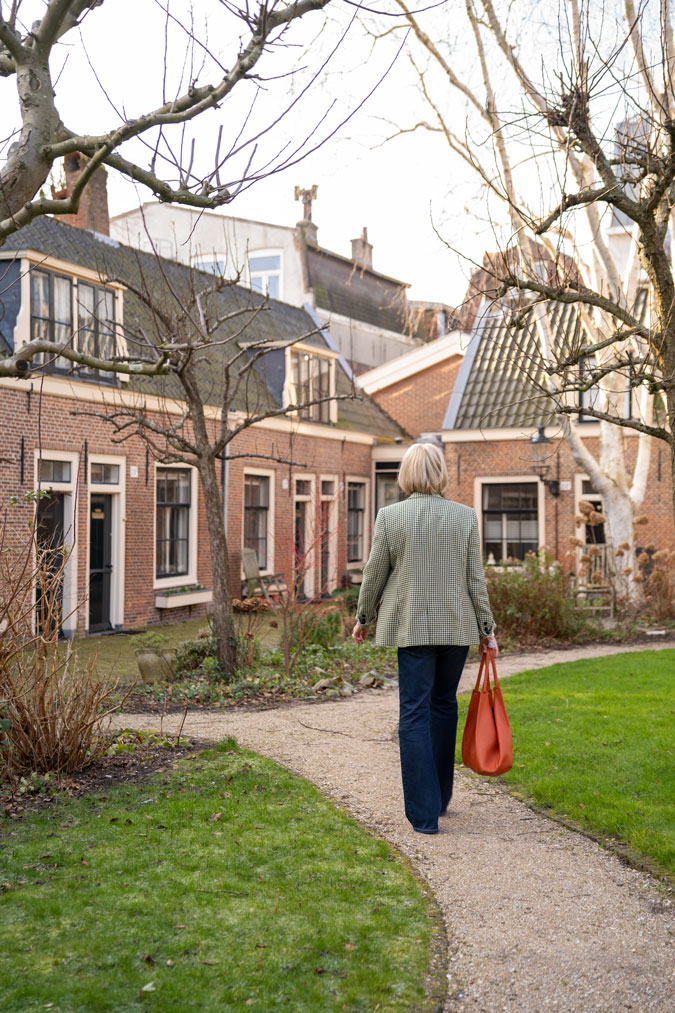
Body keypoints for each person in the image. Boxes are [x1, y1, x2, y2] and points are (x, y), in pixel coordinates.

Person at [352, 442, 498, 835]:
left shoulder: (391, 516)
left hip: (411, 627)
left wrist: (363, 618)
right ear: (441, 472)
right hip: (456, 627)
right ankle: (440, 798)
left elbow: (374, 573)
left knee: (414, 714)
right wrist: (487, 630)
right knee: (444, 706)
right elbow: (476, 579)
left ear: (407, 473)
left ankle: (424, 813)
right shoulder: (465, 517)